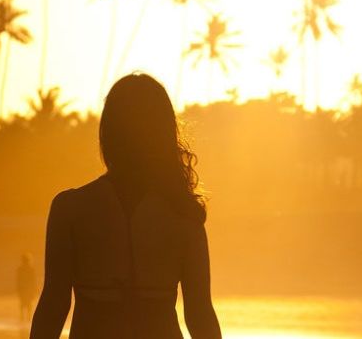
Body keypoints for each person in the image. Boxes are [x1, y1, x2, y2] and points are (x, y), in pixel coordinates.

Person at [30, 73, 222, 339]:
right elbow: (200, 316)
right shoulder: (182, 214)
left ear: (107, 133)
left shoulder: (71, 209)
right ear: (164, 136)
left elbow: (53, 307)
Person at [17, 253, 38, 322]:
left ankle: (24, 318)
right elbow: (33, 280)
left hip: (24, 289)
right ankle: (26, 318)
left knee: (24, 304)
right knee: (27, 304)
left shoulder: (21, 269)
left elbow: (18, 280)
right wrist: (34, 289)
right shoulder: (30, 269)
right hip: (26, 289)